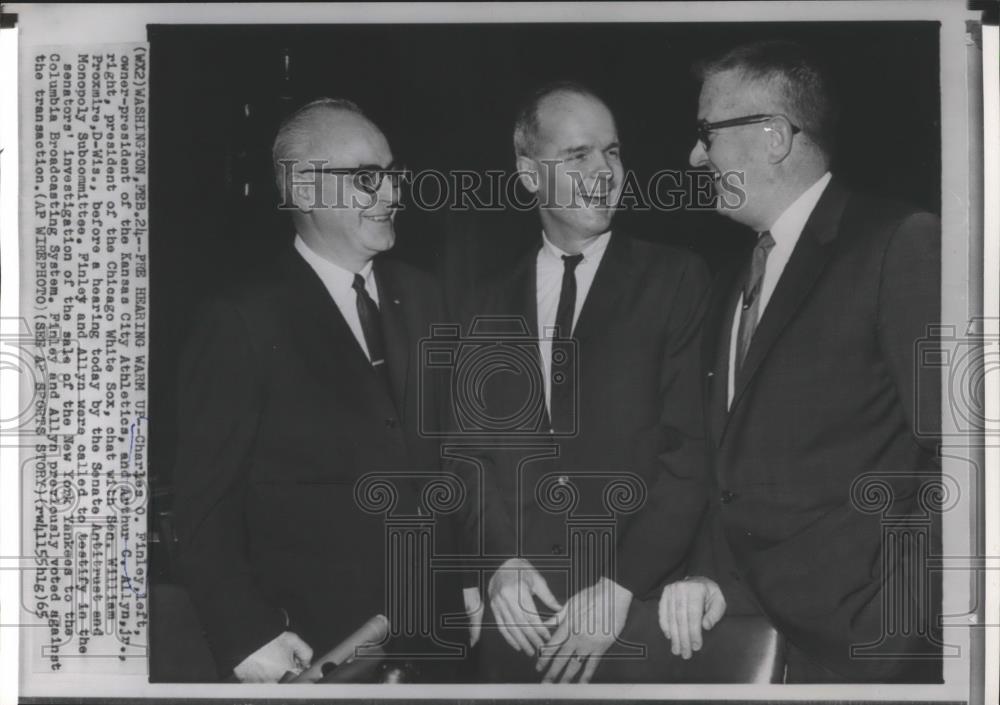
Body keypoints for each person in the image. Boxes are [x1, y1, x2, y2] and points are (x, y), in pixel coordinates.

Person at [657, 40, 942, 682]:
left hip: (865, 654)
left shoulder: (901, 243)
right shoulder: (736, 276)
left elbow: (964, 458)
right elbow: (734, 462)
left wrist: (895, 626)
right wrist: (709, 571)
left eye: (707, 132)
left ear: (774, 136)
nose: (694, 154)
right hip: (754, 634)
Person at [172, 98, 462, 682]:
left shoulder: (429, 297)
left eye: (392, 174)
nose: (392, 194)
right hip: (314, 652)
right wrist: (248, 638)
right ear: (303, 190)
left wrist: (468, 584)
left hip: (438, 645)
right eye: (365, 179)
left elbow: (451, 461)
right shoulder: (242, 321)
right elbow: (203, 506)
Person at [450, 82, 711, 683]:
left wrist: (621, 584)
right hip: (519, 619)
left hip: (634, 613)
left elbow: (691, 450)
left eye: (613, 152)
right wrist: (498, 563)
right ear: (528, 173)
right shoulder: (480, 301)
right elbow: (467, 456)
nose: (605, 171)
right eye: (578, 155)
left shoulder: (676, 279)